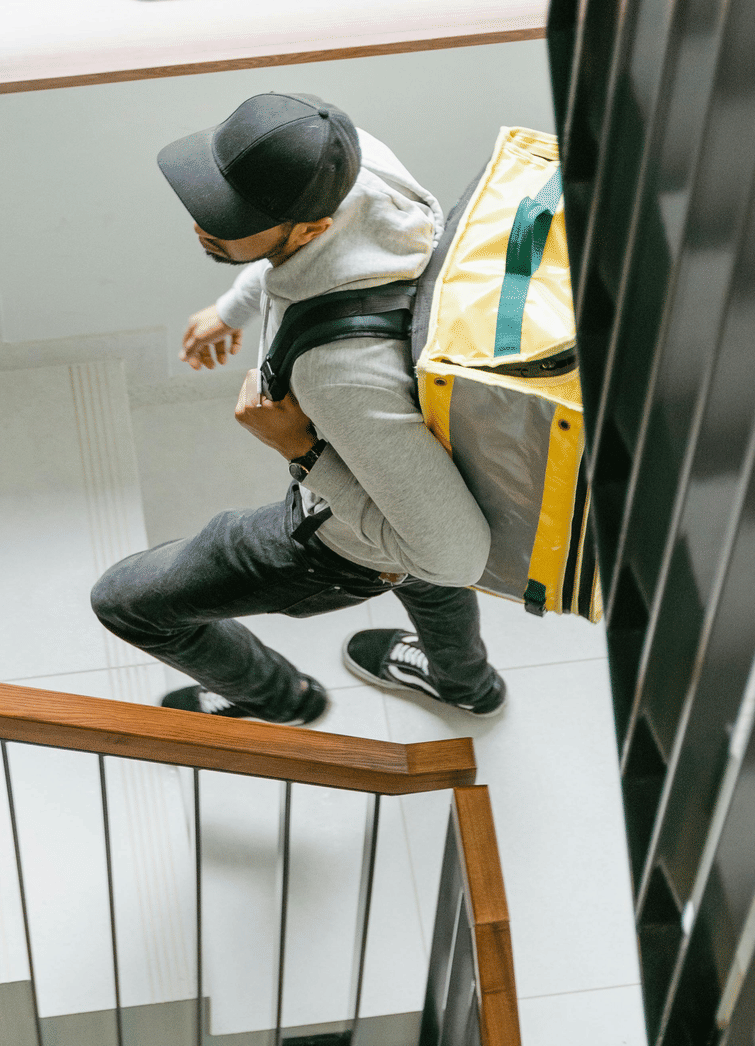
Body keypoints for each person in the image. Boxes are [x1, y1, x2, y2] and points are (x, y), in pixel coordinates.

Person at [90, 92, 508, 725]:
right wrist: (232, 308)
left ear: (314, 227)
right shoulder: (359, 167)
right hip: (421, 464)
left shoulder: (337, 373)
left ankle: (280, 700)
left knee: (125, 602)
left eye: (231, 217)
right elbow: (302, 261)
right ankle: (466, 685)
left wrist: (301, 451)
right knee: (417, 542)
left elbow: (454, 558)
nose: (203, 225)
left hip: (334, 541)